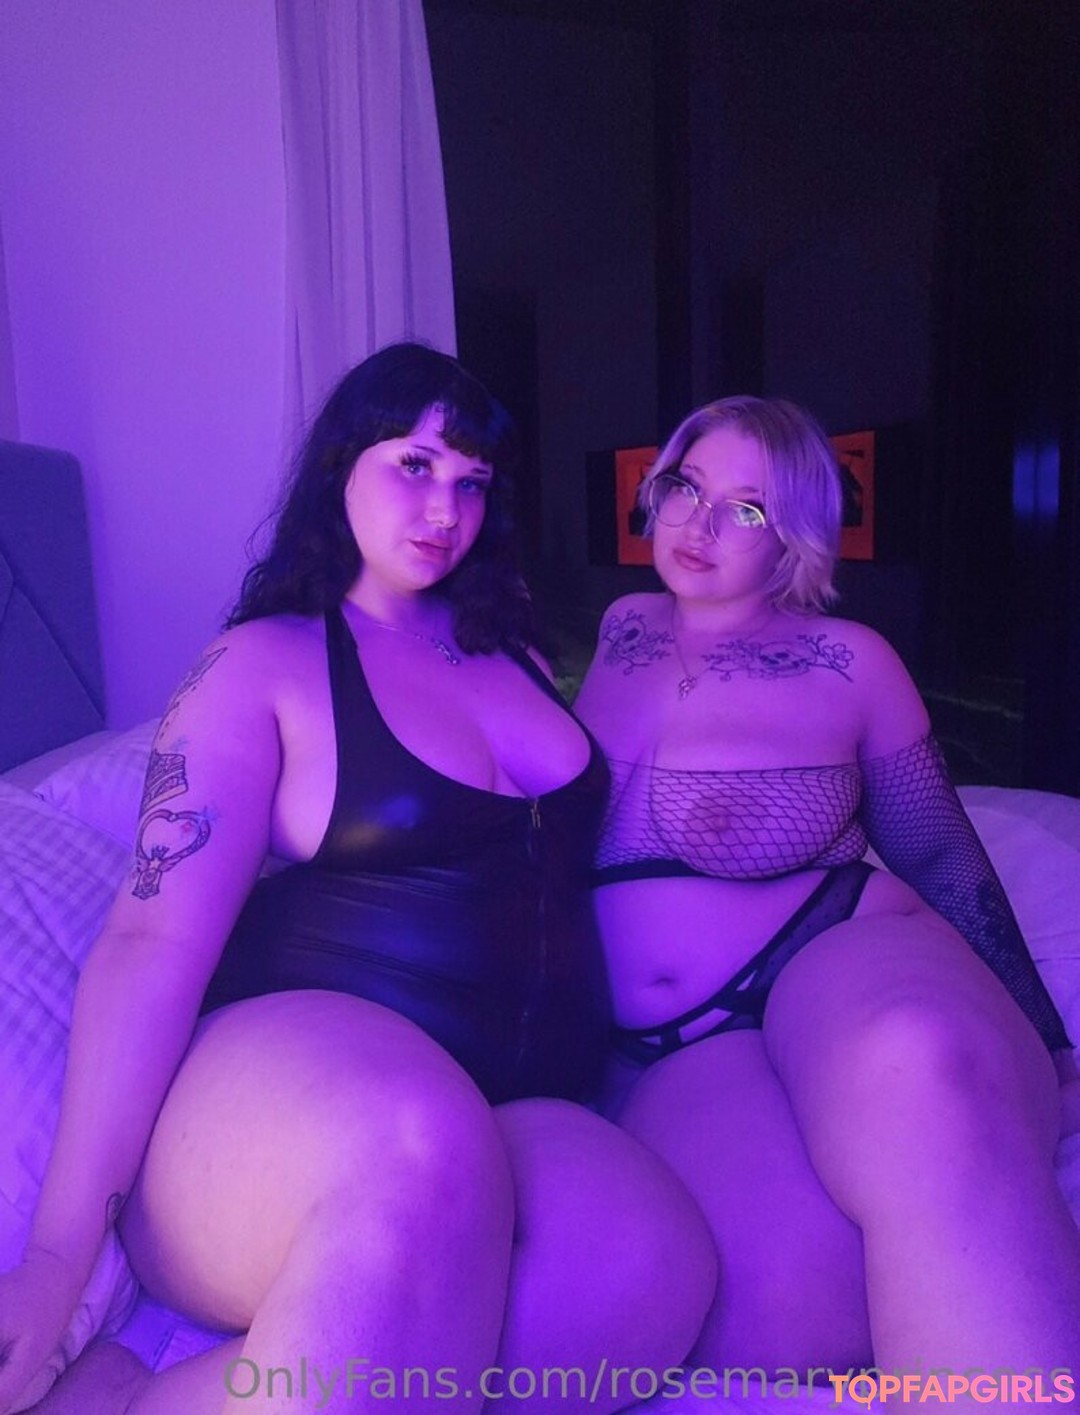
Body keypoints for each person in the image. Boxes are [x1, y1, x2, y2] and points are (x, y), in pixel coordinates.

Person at [0, 344, 716, 1415]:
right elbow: (150, 940)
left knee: (642, 1264)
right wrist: (58, 1253)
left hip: (510, 1103)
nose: (446, 508)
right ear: (340, 465)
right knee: (419, 1148)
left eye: (473, 481)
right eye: (414, 465)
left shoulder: (515, 657)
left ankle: (162, 1395)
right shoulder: (262, 663)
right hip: (285, 1103)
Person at [573, 394, 1080, 1391]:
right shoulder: (620, 626)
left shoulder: (852, 661)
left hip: (834, 944)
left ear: (792, 535)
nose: (702, 524)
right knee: (788, 1311)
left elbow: (936, 850)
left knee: (921, 1068)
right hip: (683, 1042)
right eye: (686, 487)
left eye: (748, 509)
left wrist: (1049, 1038)